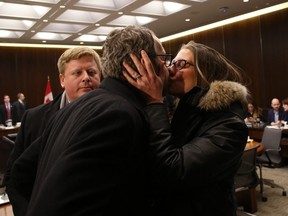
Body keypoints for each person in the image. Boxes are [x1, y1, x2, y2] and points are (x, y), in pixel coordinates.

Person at [7, 25, 169, 216]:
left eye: (91, 72)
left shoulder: (73, 108)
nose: (168, 68)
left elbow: (22, 176)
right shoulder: (118, 114)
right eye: (163, 59)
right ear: (143, 64)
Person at [122, 40, 249, 216]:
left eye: (181, 64)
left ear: (206, 73)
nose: (170, 70)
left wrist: (154, 102)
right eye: (172, 63)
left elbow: (173, 172)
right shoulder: (185, 110)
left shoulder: (230, 126)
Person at [4, 46, 102, 216]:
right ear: (62, 80)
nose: (86, 78)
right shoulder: (33, 119)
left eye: (92, 72)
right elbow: (13, 178)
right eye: (77, 73)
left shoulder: (113, 115)